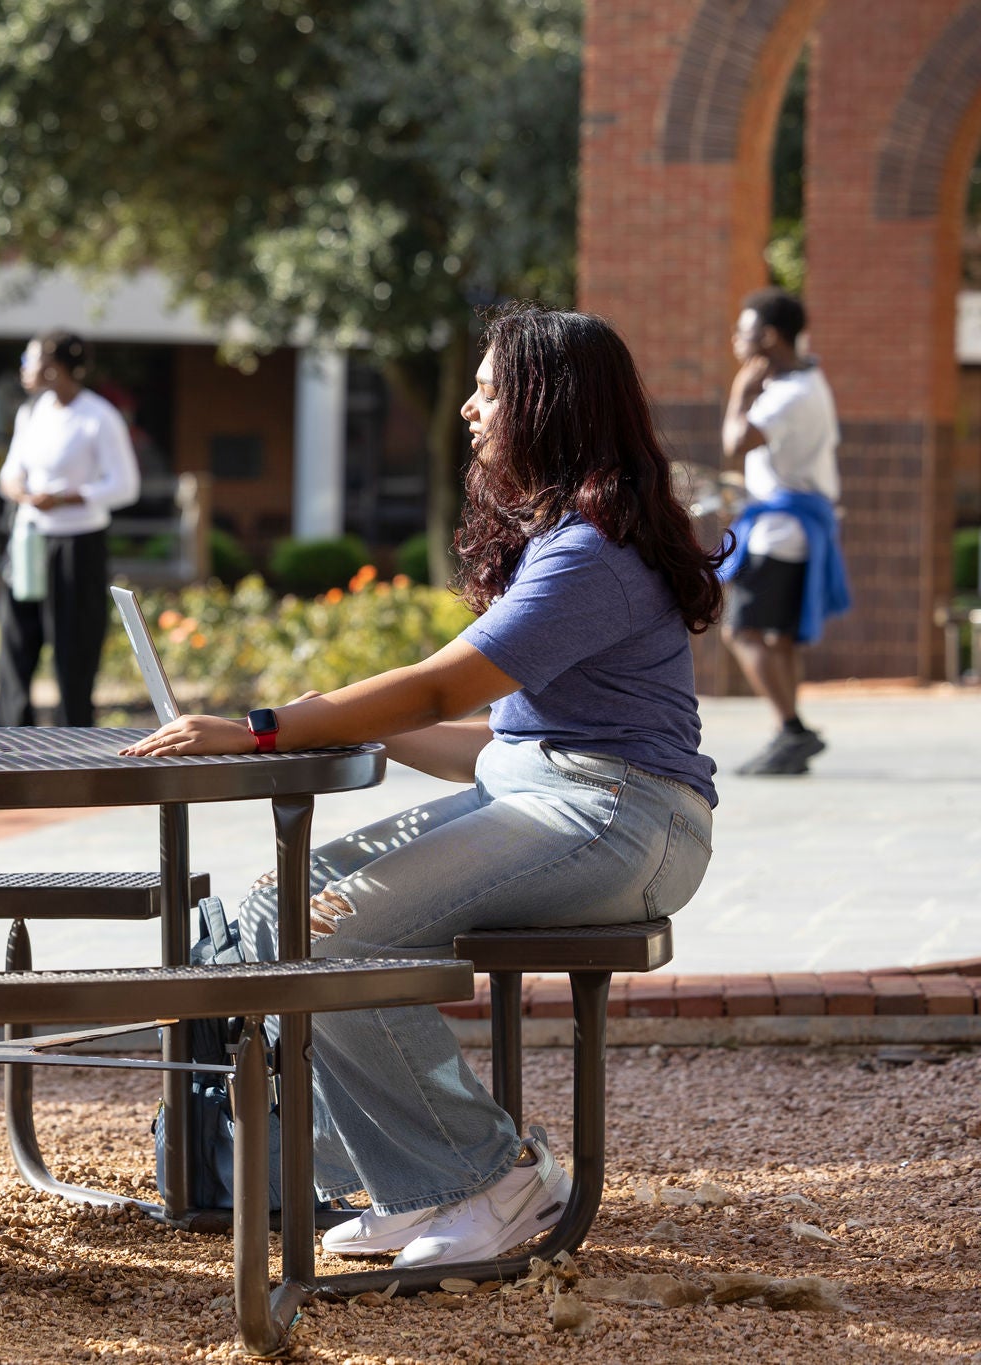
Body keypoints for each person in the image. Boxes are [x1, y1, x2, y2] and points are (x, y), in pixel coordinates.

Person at [123, 304, 723, 1270]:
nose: (470, 410)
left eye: (489, 391)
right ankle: (420, 1182)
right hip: (560, 799)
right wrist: (345, 723)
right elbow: (499, 745)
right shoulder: (568, 539)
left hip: (621, 821)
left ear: (546, 405)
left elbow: (444, 685)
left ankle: (489, 1178)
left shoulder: (590, 556)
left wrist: (268, 728)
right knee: (280, 907)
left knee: (327, 932)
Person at [719, 287, 849, 776]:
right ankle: (787, 738)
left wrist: (740, 392)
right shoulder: (807, 380)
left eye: (744, 331)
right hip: (793, 527)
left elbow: (736, 443)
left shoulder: (787, 396)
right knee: (781, 641)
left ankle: (792, 728)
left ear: (769, 337)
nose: (736, 339)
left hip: (777, 533)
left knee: (741, 632)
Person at [0, 331, 140, 727]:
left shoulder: (98, 417)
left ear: (56, 368)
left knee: (73, 648)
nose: (25, 369)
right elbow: (11, 471)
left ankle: (73, 734)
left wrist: (67, 498)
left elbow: (125, 485)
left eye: (31, 360)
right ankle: (10, 733)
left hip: (77, 544)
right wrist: (17, 488)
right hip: (29, 539)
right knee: (16, 641)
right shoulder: (32, 412)